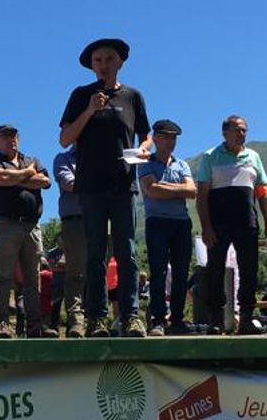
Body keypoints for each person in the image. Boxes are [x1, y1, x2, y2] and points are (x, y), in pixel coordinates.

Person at [59, 38, 152, 337]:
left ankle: (131, 316)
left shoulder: (133, 96)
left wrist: (145, 148)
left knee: (127, 253)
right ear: (92, 66)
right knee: (95, 255)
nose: (103, 65)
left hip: (124, 184)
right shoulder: (80, 95)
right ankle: (96, 318)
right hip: (91, 186)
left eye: (109, 59)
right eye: (97, 60)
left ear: (120, 62)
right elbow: (65, 138)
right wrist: (89, 110)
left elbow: (145, 134)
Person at [195, 115, 267, 334]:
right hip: (218, 225)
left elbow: (263, 191)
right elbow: (202, 196)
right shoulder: (211, 156)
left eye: (244, 130)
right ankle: (216, 320)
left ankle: (247, 319)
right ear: (225, 133)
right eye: (237, 130)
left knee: (249, 271)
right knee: (215, 270)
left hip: (247, 223)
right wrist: (206, 227)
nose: (242, 134)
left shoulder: (253, 156)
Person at [0, 124, 55, 338]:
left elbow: (44, 181)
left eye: (14, 136)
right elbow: (1, 179)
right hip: (5, 224)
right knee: (5, 276)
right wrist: (27, 174)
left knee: (33, 278)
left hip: (32, 225)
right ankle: (3, 323)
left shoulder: (32, 159)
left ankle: (34, 326)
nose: (11, 140)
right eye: (5, 137)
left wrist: (15, 178)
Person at [138, 119, 196, 336]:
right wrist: (179, 189)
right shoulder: (145, 162)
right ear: (156, 139)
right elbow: (151, 190)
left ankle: (177, 319)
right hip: (157, 223)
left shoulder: (182, 164)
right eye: (166, 137)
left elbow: (192, 191)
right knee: (158, 271)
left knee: (181, 272)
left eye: (174, 138)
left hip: (181, 223)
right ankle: (158, 319)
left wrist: (164, 187)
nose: (171, 142)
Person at [53, 146, 87, 337]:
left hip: (102, 219)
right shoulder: (63, 158)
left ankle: (96, 319)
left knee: (98, 273)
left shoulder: (101, 155)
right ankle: (76, 321)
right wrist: (101, 182)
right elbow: (70, 184)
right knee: (76, 273)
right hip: (75, 220)